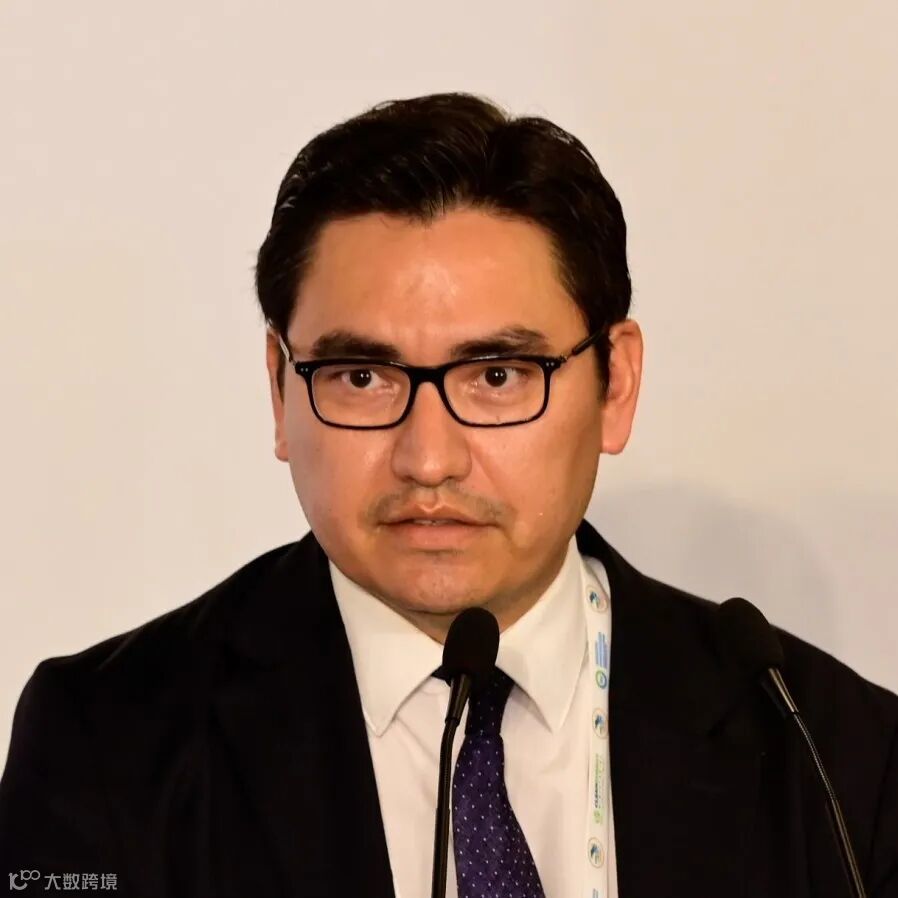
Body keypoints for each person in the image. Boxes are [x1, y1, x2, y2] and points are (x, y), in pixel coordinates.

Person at [1, 91, 896, 898]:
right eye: (360, 377)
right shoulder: (106, 743)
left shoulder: (829, 750)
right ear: (279, 390)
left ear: (615, 385)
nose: (427, 460)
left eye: (498, 375)